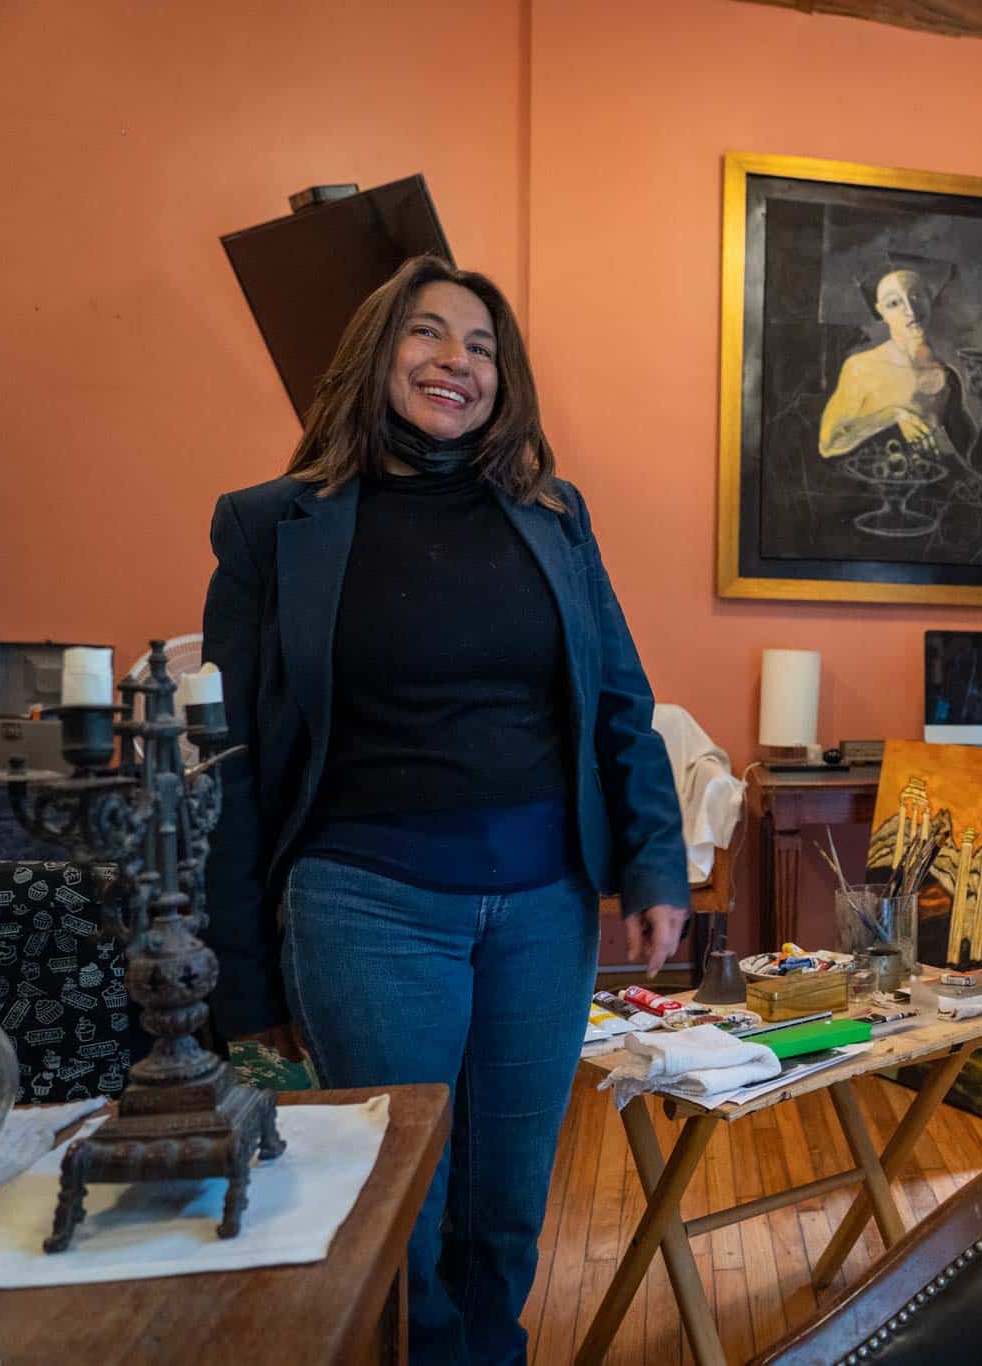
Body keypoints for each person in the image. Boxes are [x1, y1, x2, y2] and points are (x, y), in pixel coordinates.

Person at [201, 254, 689, 1365]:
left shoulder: (554, 517)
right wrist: (242, 975)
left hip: (543, 907)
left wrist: (654, 864)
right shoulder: (273, 526)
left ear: (502, 380)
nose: (453, 363)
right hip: (365, 905)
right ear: (376, 355)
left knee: (506, 1203)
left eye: (478, 346)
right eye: (426, 335)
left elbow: (618, 695)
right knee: (400, 1210)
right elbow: (229, 760)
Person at [816, 261, 982, 478]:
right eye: (894, 303)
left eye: (916, 297)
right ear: (881, 312)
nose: (909, 309)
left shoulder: (946, 378)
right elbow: (827, 444)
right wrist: (893, 415)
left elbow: (981, 467)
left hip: (922, 497)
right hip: (868, 495)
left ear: (929, 299)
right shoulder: (861, 367)